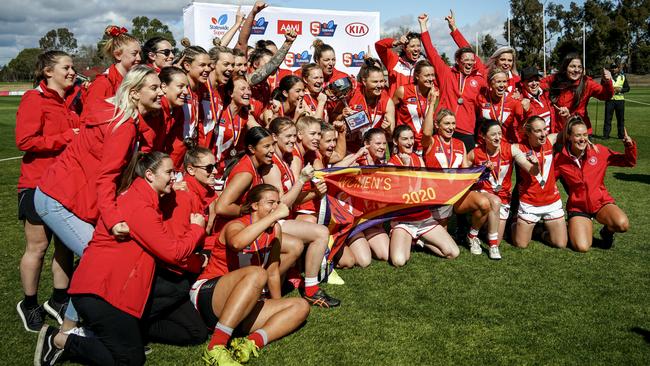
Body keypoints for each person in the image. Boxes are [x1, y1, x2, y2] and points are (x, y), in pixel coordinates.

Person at [34, 152, 207, 366]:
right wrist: (196, 229)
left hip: (110, 290)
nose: (174, 178)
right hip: (100, 293)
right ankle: (61, 340)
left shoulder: (142, 197)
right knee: (131, 360)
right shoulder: (140, 206)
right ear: (150, 175)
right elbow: (173, 253)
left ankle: (119, 334)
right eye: (170, 172)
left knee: (183, 332)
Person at [34, 66, 165, 334]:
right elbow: (106, 178)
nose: (160, 91)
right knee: (98, 258)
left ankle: (74, 325)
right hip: (58, 199)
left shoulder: (123, 119)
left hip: (67, 197)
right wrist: (114, 218)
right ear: (135, 92)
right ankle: (69, 331)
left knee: (97, 257)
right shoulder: (123, 126)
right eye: (154, 87)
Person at [194, 184, 310, 365]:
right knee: (257, 274)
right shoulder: (236, 225)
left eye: (278, 203)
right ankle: (215, 347)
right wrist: (274, 215)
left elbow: (273, 271)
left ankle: (249, 343)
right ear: (254, 206)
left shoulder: (275, 230)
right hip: (209, 294)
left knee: (301, 306)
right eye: (270, 202)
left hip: (243, 304)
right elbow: (237, 243)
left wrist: (277, 306)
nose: (276, 207)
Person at [15, 51, 80, 332]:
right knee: (38, 248)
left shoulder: (72, 101)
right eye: (66, 67)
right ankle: (29, 303)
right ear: (47, 72)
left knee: (65, 247)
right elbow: (25, 140)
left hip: (68, 186)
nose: (72, 71)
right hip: (37, 184)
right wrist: (67, 138)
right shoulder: (34, 99)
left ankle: (59, 299)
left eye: (73, 67)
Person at [554, 117, 636, 252]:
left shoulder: (599, 151)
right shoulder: (560, 159)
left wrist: (629, 146)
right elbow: (549, 181)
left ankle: (606, 232)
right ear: (569, 137)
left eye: (585, 135)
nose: (582, 139)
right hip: (578, 207)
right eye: (578, 135)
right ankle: (575, 226)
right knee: (582, 247)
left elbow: (628, 162)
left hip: (600, 202)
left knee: (622, 224)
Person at [467, 120, 540, 259]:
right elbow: (463, 174)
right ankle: (491, 246)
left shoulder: (510, 149)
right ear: (483, 136)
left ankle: (475, 232)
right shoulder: (475, 153)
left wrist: (535, 165)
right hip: (483, 194)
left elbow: (532, 171)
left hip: (503, 197)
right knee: (494, 203)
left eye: (500, 134)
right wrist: (479, 174)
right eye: (493, 134)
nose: (497, 137)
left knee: (496, 232)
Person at [422, 109, 490, 256]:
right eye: (446, 123)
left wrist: (481, 171)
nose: (451, 127)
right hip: (437, 196)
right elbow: (426, 133)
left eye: (453, 123)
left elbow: (466, 171)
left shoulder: (460, 144)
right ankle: (420, 237)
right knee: (443, 241)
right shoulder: (431, 141)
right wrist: (432, 103)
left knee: (484, 204)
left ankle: (472, 236)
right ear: (437, 124)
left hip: (457, 194)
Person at [418, 13, 486, 152]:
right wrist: (423, 26)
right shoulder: (447, 74)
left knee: (464, 170)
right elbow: (432, 53)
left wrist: (454, 29)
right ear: (457, 61)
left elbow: (470, 52)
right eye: (465, 60)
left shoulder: (479, 78)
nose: (469, 63)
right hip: (443, 127)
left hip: (466, 130)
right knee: (439, 167)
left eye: (471, 60)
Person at [511, 116, 567, 249]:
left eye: (544, 129)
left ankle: (540, 232)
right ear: (528, 133)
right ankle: (513, 222)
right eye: (538, 131)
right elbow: (500, 148)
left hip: (551, 201)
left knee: (560, 243)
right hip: (529, 202)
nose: (543, 134)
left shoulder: (550, 140)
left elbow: (568, 132)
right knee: (521, 244)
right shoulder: (518, 148)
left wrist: (566, 119)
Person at [445, 10, 520, 95]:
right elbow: (467, 50)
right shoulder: (485, 73)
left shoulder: (517, 80)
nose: (506, 63)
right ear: (496, 60)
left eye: (509, 60)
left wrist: (520, 98)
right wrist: (453, 28)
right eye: (503, 59)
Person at [542, 53, 613, 134]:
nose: (576, 70)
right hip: (559, 132)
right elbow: (536, 85)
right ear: (565, 67)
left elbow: (606, 95)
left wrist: (607, 81)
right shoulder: (555, 79)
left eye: (579, 67)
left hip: (580, 132)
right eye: (572, 66)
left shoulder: (587, 83)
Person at [336, 61, 395, 152]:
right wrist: (341, 116)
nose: (379, 85)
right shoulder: (352, 93)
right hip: (350, 150)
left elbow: (392, 133)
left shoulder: (387, 101)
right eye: (375, 82)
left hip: (374, 152)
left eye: (382, 81)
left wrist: (388, 129)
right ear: (364, 81)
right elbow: (333, 118)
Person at [83, 26, 141, 111]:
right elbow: (89, 118)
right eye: (134, 54)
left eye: (140, 53)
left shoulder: (135, 81)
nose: (139, 58)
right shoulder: (102, 84)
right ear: (118, 55)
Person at [393, 60, 437, 152]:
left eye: (432, 75)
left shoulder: (436, 94)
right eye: (427, 75)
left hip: (426, 144)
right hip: (406, 143)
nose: (430, 78)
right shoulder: (403, 91)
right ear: (417, 76)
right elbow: (390, 111)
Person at [475, 68, 524, 143]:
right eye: (498, 82)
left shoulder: (514, 101)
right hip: (485, 145)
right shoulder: (481, 99)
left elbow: (523, 123)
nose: (502, 85)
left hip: (506, 145)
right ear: (490, 83)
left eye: (504, 81)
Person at [519, 66, 554, 133]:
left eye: (536, 80)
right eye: (530, 81)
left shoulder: (547, 94)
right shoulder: (521, 102)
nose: (534, 83)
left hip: (551, 139)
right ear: (522, 83)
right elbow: (520, 130)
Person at [603, 62, 630, 139]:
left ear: (618, 69)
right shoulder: (606, 77)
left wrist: (620, 90)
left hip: (620, 100)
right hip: (609, 100)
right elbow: (602, 87)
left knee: (620, 119)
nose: (614, 69)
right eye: (612, 67)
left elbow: (627, 88)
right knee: (608, 118)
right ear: (610, 69)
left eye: (615, 67)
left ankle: (621, 135)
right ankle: (606, 135)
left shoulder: (622, 77)